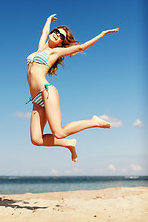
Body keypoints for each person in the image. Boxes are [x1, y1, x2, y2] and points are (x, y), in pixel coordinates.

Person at [26, 14, 119, 162]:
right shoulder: (40, 48)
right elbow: (44, 32)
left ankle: (94, 121)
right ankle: (69, 144)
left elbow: (81, 47)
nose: (57, 35)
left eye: (61, 36)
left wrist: (102, 34)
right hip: (36, 100)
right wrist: (48, 20)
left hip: (46, 91)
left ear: (61, 43)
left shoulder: (55, 52)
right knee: (36, 139)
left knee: (59, 132)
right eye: (56, 32)